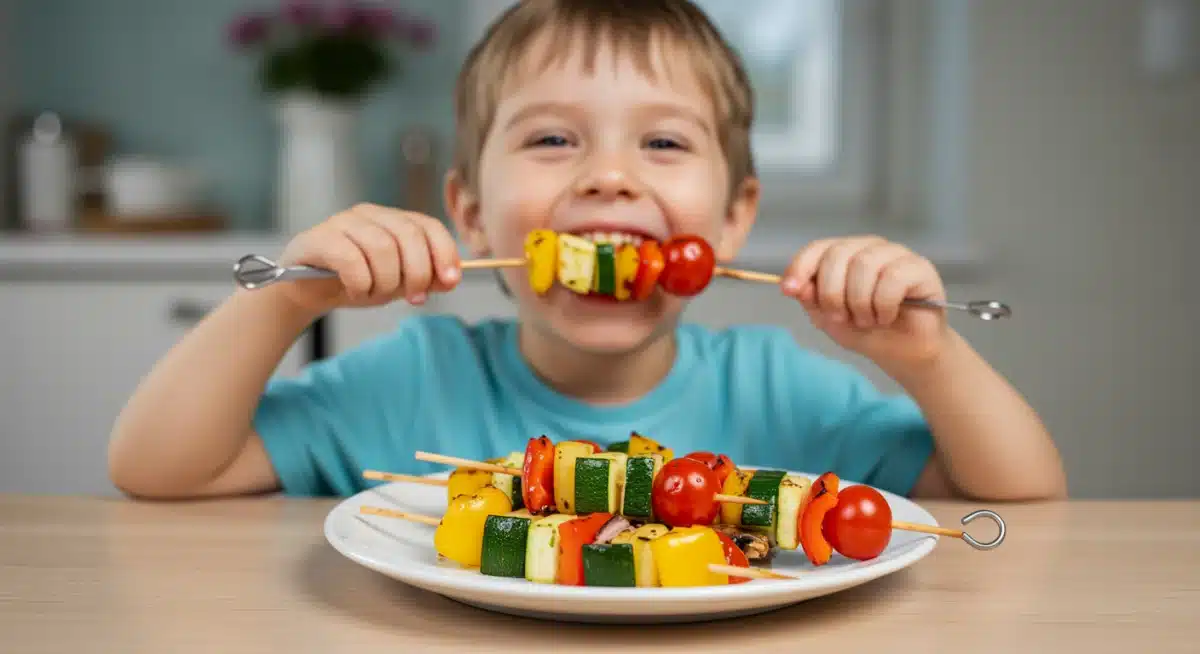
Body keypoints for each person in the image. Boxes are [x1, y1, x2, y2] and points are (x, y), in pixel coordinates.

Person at [107, 0, 1066, 502]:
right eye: (554, 139)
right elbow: (159, 469)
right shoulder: (409, 381)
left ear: (733, 221)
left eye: (662, 142)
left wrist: (930, 361)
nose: (609, 177)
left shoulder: (787, 393)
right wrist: (285, 298)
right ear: (470, 214)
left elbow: (1019, 493)